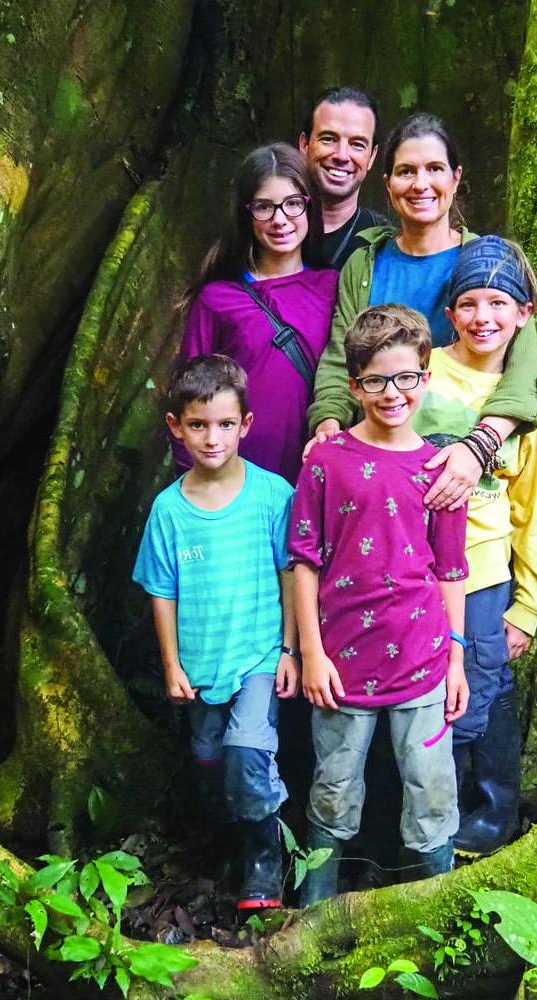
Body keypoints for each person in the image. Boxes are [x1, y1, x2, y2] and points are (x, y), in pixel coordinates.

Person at [289, 305, 470, 905]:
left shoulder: (441, 468)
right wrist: (310, 653)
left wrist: (458, 658)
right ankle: (311, 917)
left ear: (425, 376)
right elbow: (304, 558)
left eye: (406, 378)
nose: (392, 393)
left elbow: (450, 570)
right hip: (341, 663)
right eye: (375, 381)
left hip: (422, 660)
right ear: (354, 385)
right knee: (334, 786)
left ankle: (433, 915)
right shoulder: (326, 460)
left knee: (430, 788)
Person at [305, 112, 537, 512]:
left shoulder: (487, 262)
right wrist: (329, 422)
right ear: (387, 184)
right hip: (379, 472)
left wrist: (478, 448)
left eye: (434, 169)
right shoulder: (364, 264)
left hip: (464, 475)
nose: (421, 184)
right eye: (406, 171)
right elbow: (339, 359)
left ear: (455, 177)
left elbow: (529, 376)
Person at [132, 355, 300, 911]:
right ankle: (227, 838)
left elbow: (291, 574)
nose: (212, 437)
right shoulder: (168, 510)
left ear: (246, 424)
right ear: (176, 427)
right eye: (199, 425)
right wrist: (171, 665)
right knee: (208, 757)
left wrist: (289, 650)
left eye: (226, 424)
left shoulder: (272, 495)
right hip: (201, 661)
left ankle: (263, 859)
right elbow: (162, 591)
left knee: (246, 749)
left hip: (257, 654)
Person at [414, 236, 537, 855]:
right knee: (424, 685)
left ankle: (492, 811)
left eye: (499, 303)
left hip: (485, 573)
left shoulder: (524, 404)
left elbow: (530, 505)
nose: (483, 318)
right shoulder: (422, 374)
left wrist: (530, 603)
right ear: (451, 315)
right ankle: (427, 809)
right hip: (413, 566)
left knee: (485, 686)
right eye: (469, 304)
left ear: (523, 314)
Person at [177, 144, 337, 482]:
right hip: (237, 483)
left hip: (320, 474)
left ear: (310, 208)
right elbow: (187, 399)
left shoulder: (334, 287)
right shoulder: (218, 298)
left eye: (293, 204)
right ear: (246, 214)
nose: (280, 220)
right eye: (264, 207)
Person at [298, 87, 389, 270]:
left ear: (371, 157)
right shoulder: (271, 229)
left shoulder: (385, 244)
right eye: (328, 139)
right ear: (304, 145)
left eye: (357, 144)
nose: (342, 156)